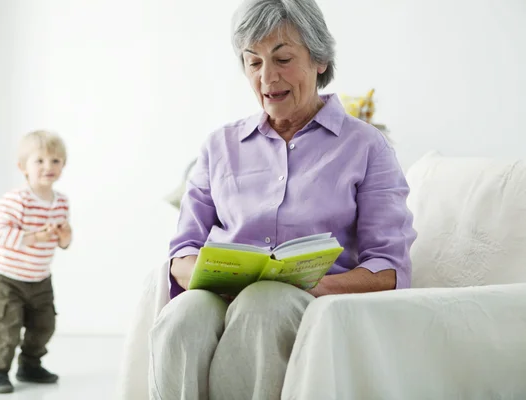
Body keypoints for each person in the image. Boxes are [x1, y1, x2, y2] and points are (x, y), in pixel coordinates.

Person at [150, 0, 418, 399]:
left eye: (283, 58)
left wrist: (316, 286)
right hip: (220, 292)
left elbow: (388, 269)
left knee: (265, 303)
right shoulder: (220, 146)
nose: (267, 78)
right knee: (180, 319)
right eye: (253, 63)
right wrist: (206, 275)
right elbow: (184, 249)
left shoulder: (366, 146)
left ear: (320, 59)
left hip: (308, 302)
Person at [0, 130, 72, 394]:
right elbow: (0, 234)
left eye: (56, 161)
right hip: (5, 278)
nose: (49, 167)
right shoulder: (16, 200)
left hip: (39, 278)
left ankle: (30, 365)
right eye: (40, 161)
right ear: (23, 167)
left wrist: (65, 237)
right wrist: (33, 236)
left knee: (44, 325)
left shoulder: (61, 202)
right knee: (7, 329)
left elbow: (63, 242)